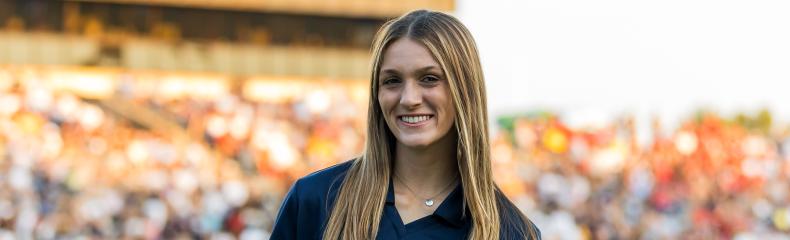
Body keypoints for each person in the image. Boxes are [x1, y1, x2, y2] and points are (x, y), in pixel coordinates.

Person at [271, 9, 541, 239]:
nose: (409, 99)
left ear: (465, 89)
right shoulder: (315, 200)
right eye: (392, 81)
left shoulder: (512, 232)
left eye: (429, 78)